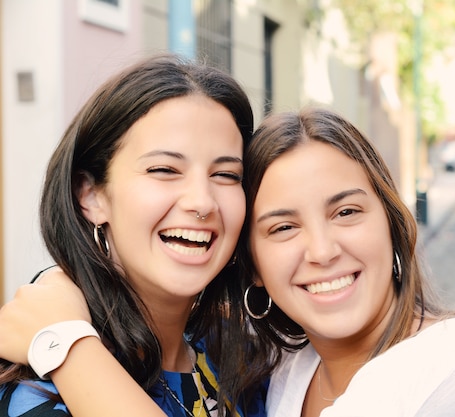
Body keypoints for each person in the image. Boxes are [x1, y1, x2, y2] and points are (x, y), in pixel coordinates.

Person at [0, 107, 455, 416]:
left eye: (347, 211)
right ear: (252, 261)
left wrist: (62, 341)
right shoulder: (278, 366)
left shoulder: (443, 371)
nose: (322, 251)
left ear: (393, 222)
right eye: (282, 226)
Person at [0, 53, 268, 417]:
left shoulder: (244, 363)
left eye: (226, 175)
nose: (202, 203)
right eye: (164, 169)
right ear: (90, 195)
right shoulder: (41, 394)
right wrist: (68, 347)